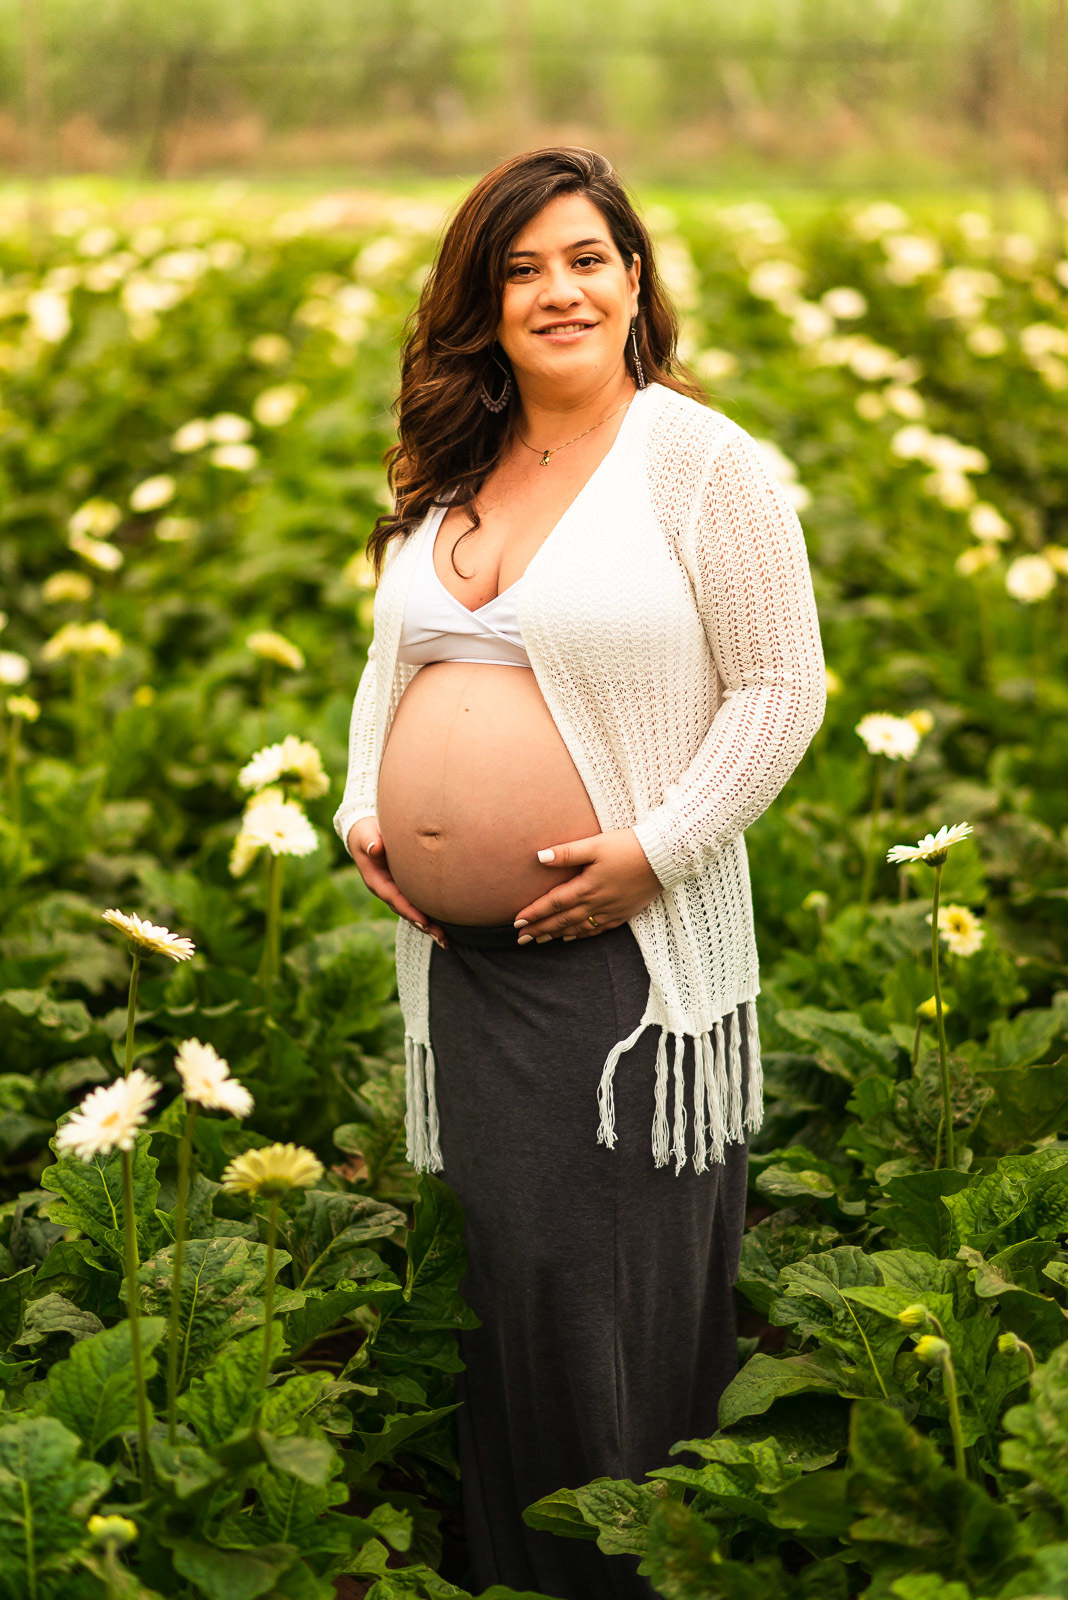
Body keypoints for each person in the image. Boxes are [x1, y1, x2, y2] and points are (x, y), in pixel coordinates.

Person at [333, 146, 826, 1600]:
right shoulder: (458, 465)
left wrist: (655, 855)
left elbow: (781, 691)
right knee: (500, 1306)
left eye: (587, 259)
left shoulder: (699, 461)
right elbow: (395, 661)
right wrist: (371, 805)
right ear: (480, 304)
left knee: (597, 1309)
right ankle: (517, 1574)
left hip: (623, 967)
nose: (559, 290)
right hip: (472, 970)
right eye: (522, 267)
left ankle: (622, 1577)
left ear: (634, 280)